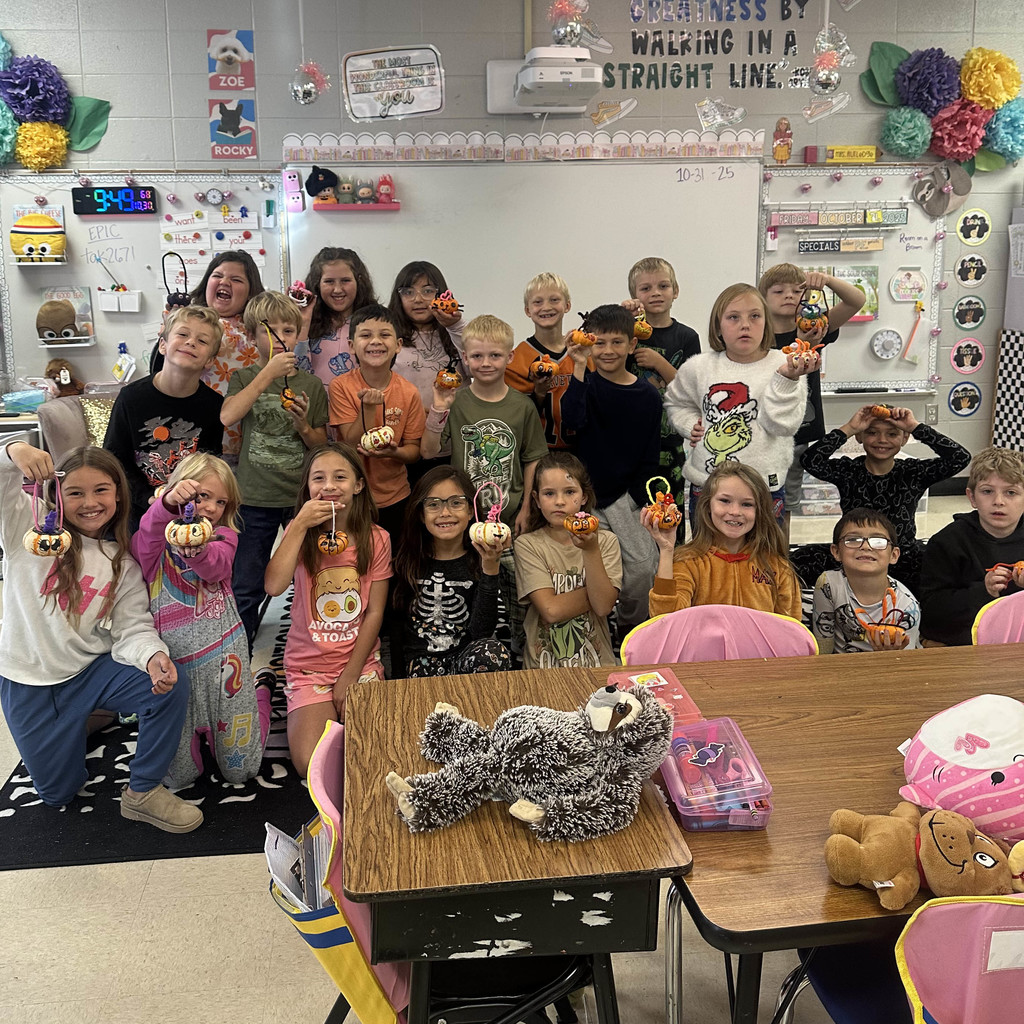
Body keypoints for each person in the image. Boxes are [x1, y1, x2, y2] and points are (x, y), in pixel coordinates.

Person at [0, 442, 201, 832]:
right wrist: (12, 450)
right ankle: (87, 720)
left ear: (118, 494)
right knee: (59, 792)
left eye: (100, 490)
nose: (89, 502)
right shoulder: (25, 527)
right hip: (27, 681)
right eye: (75, 492)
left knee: (170, 685)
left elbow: (132, 627)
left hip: (89, 671)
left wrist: (152, 657)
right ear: (57, 493)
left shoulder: (120, 561)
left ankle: (142, 791)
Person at [131, 453, 272, 785]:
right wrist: (166, 503)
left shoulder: (224, 536)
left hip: (227, 662)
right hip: (175, 669)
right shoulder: (153, 545)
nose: (210, 507)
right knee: (179, 776)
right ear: (179, 492)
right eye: (201, 496)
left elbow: (217, 568)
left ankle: (261, 689)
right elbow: (149, 529)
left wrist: (197, 550)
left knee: (242, 770)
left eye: (220, 501)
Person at [422, 314, 548, 659]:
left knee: (516, 591)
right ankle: (475, 654)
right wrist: (438, 409)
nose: (485, 363)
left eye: (494, 355)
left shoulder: (521, 406)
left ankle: (522, 654)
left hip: (510, 520)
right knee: (477, 595)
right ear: (464, 358)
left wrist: (526, 509)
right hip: (465, 522)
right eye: (476, 356)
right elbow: (428, 451)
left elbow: (533, 458)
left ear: (510, 357)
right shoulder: (459, 401)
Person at [264, 442, 391, 775]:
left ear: (359, 485)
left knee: (372, 754)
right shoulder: (299, 532)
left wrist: (350, 675)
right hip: (309, 668)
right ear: (308, 487)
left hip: (358, 663)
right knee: (310, 764)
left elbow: (375, 612)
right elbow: (274, 586)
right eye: (318, 478)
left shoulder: (377, 539)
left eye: (340, 477)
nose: (330, 486)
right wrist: (300, 526)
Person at [221, 290, 329, 649]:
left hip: (300, 498)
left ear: (298, 335)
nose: (281, 337)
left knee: (313, 573)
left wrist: (302, 426)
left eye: (288, 329)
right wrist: (267, 374)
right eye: (270, 330)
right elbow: (228, 416)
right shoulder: (244, 378)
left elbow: (320, 445)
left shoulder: (312, 384)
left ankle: (315, 638)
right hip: (254, 498)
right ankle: (239, 645)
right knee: (247, 579)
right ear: (253, 336)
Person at [663, 283, 817, 528]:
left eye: (755, 316)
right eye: (733, 317)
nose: (745, 325)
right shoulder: (699, 367)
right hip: (708, 485)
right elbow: (676, 402)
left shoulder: (785, 364)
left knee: (763, 560)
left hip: (763, 487)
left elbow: (783, 426)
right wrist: (690, 424)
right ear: (718, 326)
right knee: (708, 558)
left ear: (766, 322)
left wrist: (786, 379)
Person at [561, 303, 661, 637]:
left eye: (617, 342)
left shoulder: (647, 394)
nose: (607, 351)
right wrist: (577, 365)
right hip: (585, 497)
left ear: (632, 345)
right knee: (582, 566)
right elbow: (571, 421)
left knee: (642, 567)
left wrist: (636, 498)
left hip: (625, 498)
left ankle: (630, 628)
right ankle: (594, 631)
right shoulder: (584, 384)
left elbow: (650, 454)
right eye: (599, 343)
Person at [796, 405, 970, 590]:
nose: (882, 440)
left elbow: (960, 457)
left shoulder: (913, 472)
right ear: (860, 437)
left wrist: (915, 427)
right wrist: (850, 427)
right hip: (855, 553)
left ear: (904, 438)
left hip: (899, 557)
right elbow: (810, 460)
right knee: (800, 560)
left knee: (943, 570)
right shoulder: (848, 471)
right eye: (872, 432)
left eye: (892, 434)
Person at [758, 264, 865, 535]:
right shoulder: (756, 334)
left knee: (786, 501)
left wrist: (826, 280)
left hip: (797, 431)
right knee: (755, 498)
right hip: (762, 430)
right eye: (779, 291)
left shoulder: (816, 326)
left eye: (798, 291)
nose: (789, 296)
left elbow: (857, 300)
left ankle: (781, 559)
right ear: (763, 297)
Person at [104, 305, 225, 528]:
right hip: (138, 512)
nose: (191, 342)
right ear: (163, 345)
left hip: (189, 513)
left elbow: (210, 464)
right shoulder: (131, 398)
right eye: (183, 334)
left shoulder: (214, 405)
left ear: (209, 360)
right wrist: (149, 498)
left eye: (202, 341)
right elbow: (114, 459)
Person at [392, 465, 512, 676]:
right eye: (433, 505)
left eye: (456, 503)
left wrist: (489, 569)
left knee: (493, 651)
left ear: (470, 511)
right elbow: (394, 631)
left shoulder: (483, 560)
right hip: (419, 667)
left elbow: (482, 633)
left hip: (465, 665)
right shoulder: (406, 562)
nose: (445, 513)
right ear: (421, 514)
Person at [644, 462, 801, 620]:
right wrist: (666, 551)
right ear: (707, 505)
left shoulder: (777, 566)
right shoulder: (688, 562)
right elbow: (665, 620)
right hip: (701, 646)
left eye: (747, 504)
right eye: (725, 501)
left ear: (759, 511)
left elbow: (792, 629)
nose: (734, 512)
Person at [329, 303, 425, 544]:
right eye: (365, 335)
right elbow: (350, 443)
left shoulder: (409, 391)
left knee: (394, 564)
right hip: (350, 496)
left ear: (398, 345)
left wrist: (395, 452)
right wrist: (368, 407)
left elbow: (414, 451)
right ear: (351, 346)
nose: (375, 341)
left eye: (384, 335)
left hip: (395, 497)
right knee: (353, 562)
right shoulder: (341, 386)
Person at [515, 452, 622, 668]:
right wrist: (595, 592)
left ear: (583, 497)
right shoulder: (527, 545)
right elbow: (551, 611)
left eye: (570, 492)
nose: (560, 501)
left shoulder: (606, 541)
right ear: (535, 499)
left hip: (597, 665)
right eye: (549, 494)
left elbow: (602, 608)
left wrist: (591, 550)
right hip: (543, 668)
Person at [919, 446, 1024, 647]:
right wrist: (983, 591)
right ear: (972, 497)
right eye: (987, 491)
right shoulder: (947, 542)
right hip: (966, 644)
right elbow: (932, 613)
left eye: (1011, 492)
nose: (998, 501)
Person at [621, 256, 701, 506]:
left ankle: (672, 547)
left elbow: (690, 391)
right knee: (635, 510)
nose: (655, 293)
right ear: (635, 295)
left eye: (663, 286)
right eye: (645, 288)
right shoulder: (626, 333)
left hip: (671, 441)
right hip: (632, 440)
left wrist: (660, 363)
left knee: (670, 507)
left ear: (675, 291)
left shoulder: (687, 337)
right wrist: (622, 318)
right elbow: (610, 374)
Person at [812, 508, 921, 654]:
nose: (865, 546)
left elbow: (906, 664)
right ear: (836, 551)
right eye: (853, 540)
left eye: (878, 541)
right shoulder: (828, 585)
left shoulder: (907, 608)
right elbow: (822, 648)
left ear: (894, 555)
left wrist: (888, 656)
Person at [505, 272, 585, 450]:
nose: (546, 307)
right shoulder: (517, 359)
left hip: (582, 450)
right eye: (537, 302)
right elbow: (517, 420)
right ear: (527, 310)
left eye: (554, 300)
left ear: (567, 305)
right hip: (537, 453)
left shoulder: (582, 352)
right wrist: (539, 393)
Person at [295, 246, 377, 390]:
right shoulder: (304, 322)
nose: (337, 289)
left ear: (359, 281)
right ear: (317, 284)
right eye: (329, 281)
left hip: (360, 409)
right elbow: (296, 372)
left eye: (345, 280)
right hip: (314, 409)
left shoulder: (375, 322)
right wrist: (303, 323)